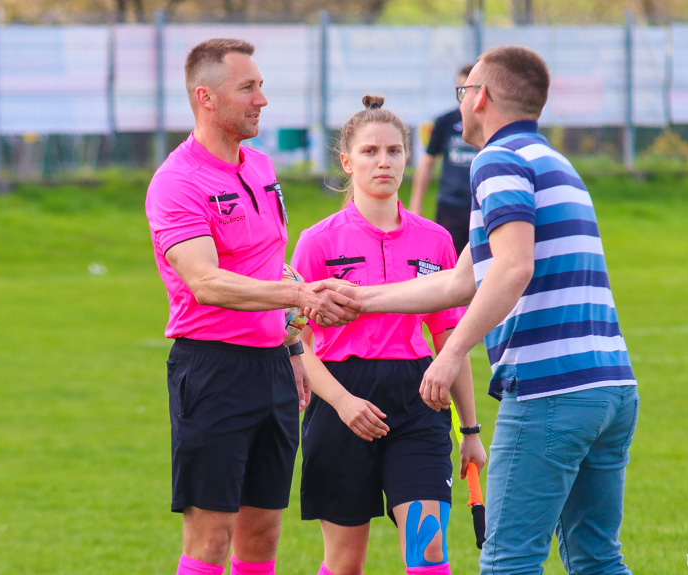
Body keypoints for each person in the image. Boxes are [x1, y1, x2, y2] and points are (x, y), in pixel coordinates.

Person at [312, 46, 639, 575]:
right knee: (597, 559)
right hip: (611, 389)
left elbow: (512, 269)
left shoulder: (498, 160)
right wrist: (359, 299)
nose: (461, 103)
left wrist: (451, 352)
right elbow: (462, 281)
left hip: (550, 389)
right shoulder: (554, 161)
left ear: (480, 96)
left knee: (508, 562)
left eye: (464, 93)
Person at [144, 38, 362, 575]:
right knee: (210, 540)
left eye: (261, 85)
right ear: (207, 98)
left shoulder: (260, 165)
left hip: (272, 367)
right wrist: (300, 296)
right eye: (248, 87)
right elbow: (205, 282)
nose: (262, 99)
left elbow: (272, 262)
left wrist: (291, 345)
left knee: (261, 535)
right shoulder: (177, 181)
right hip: (213, 368)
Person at [291, 95, 488, 575]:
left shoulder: (437, 240)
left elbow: (450, 341)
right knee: (344, 564)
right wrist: (341, 403)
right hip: (340, 403)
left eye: (395, 151)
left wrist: (470, 431)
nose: (384, 162)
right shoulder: (318, 241)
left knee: (428, 556)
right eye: (370, 151)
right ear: (346, 161)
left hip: (419, 401)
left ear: (408, 158)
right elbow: (294, 343)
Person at [409, 64, 479, 256]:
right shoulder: (445, 122)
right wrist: (416, 203)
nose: (465, 98)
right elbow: (427, 162)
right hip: (451, 204)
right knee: (449, 261)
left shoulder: (488, 123)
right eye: (461, 91)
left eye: (470, 91)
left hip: (480, 204)